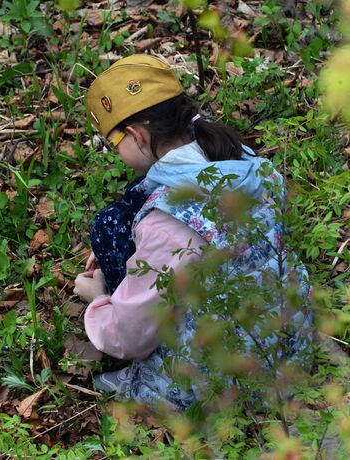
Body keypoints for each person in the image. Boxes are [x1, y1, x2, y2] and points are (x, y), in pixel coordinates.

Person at [73, 54, 313, 410]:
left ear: (136, 134)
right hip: (289, 354)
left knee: (112, 229)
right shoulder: (248, 163)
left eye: (113, 143)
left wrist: (97, 300)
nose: (115, 152)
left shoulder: (168, 224)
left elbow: (132, 335)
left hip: (222, 385)